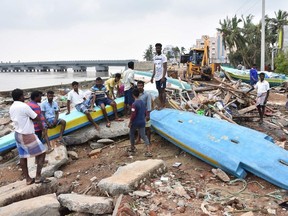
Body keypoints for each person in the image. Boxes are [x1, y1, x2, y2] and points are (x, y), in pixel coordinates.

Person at [9, 88, 50, 185]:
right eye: (23, 95)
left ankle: (28, 179)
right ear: (20, 97)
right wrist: (43, 129)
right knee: (42, 152)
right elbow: (36, 118)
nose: (24, 97)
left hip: (17, 134)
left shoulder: (12, 107)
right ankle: (38, 177)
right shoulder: (24, 106)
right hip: (27, 134)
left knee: (23, 157)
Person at [128, 88, 152, 157]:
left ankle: (132, 147)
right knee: (143, 135)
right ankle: (148, 150)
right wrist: (146, 117)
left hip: (135, 122)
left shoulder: (134, 104)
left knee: (131, 134)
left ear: (133, 95)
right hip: (142, 121)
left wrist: (130, 122)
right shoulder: (142, 102)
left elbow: (133, 114)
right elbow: (145, 111)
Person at [151, 43, 167, 110]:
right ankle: (161, 104)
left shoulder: (163, 57)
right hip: (157, 77)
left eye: (159, 48)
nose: (157, 49)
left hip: (162, 77)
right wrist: (152, 77)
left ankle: (163, 105)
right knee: (159, 91)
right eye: (156, 48)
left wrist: (163, 77)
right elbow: (155, 68)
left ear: (161, 48)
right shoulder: (155, 57)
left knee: (162, 91)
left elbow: (165, 67)